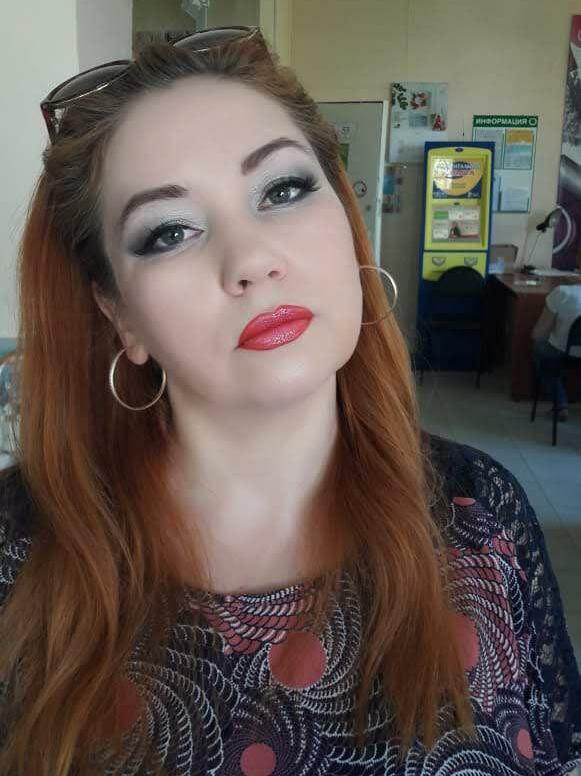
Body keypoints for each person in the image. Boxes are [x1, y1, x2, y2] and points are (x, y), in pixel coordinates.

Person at [0, 26, 579, 776]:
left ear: (345, 218)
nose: (250, 260)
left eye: (282, 190)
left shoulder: (484, 513)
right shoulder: (18, 551)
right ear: (119, 313)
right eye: (169, 232)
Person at [532, 282, 581, 421]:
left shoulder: (562, 292)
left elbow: (538, 334)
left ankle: (560, 403)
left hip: (563, 354)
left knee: (539, 349)